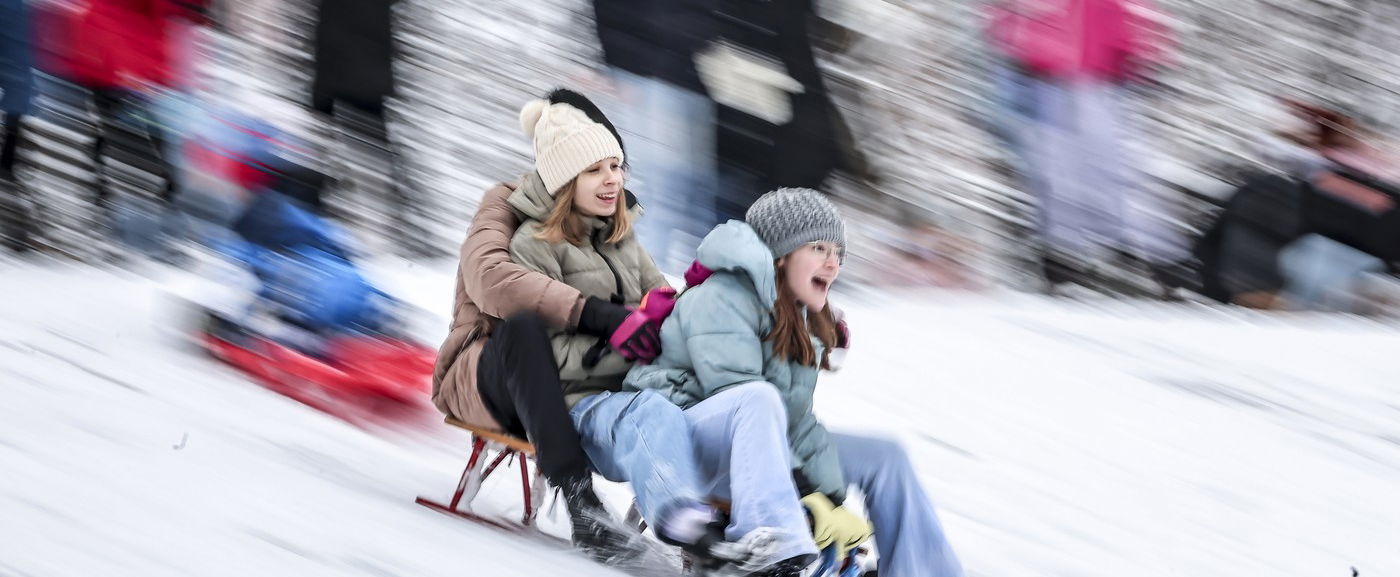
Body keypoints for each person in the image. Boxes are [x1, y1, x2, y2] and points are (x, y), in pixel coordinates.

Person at [433, 89, 802, 575]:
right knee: (535, 339)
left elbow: (659, 302)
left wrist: (709, 307)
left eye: (616, 164)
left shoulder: (617, 232)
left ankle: (782, 539)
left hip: (605, 388)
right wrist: (610, 323)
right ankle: (596, 506)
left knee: (747, 397)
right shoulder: (510, 213)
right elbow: (493, 282)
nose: (612, 177)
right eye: (594, 166)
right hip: (493, 369)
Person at [627, 188, 966, 577]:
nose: (833, 263)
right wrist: (809, 494)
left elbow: (796, 424)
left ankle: (923, 571)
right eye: (819, 248)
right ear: (780, 253)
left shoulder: (796, 316)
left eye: (838, 253)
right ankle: (759, 548)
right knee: (755, 401)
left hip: (758, 450)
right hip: (691, 449)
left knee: (886, 457)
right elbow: (744, 409)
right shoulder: (722, 298)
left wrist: (831, 499)